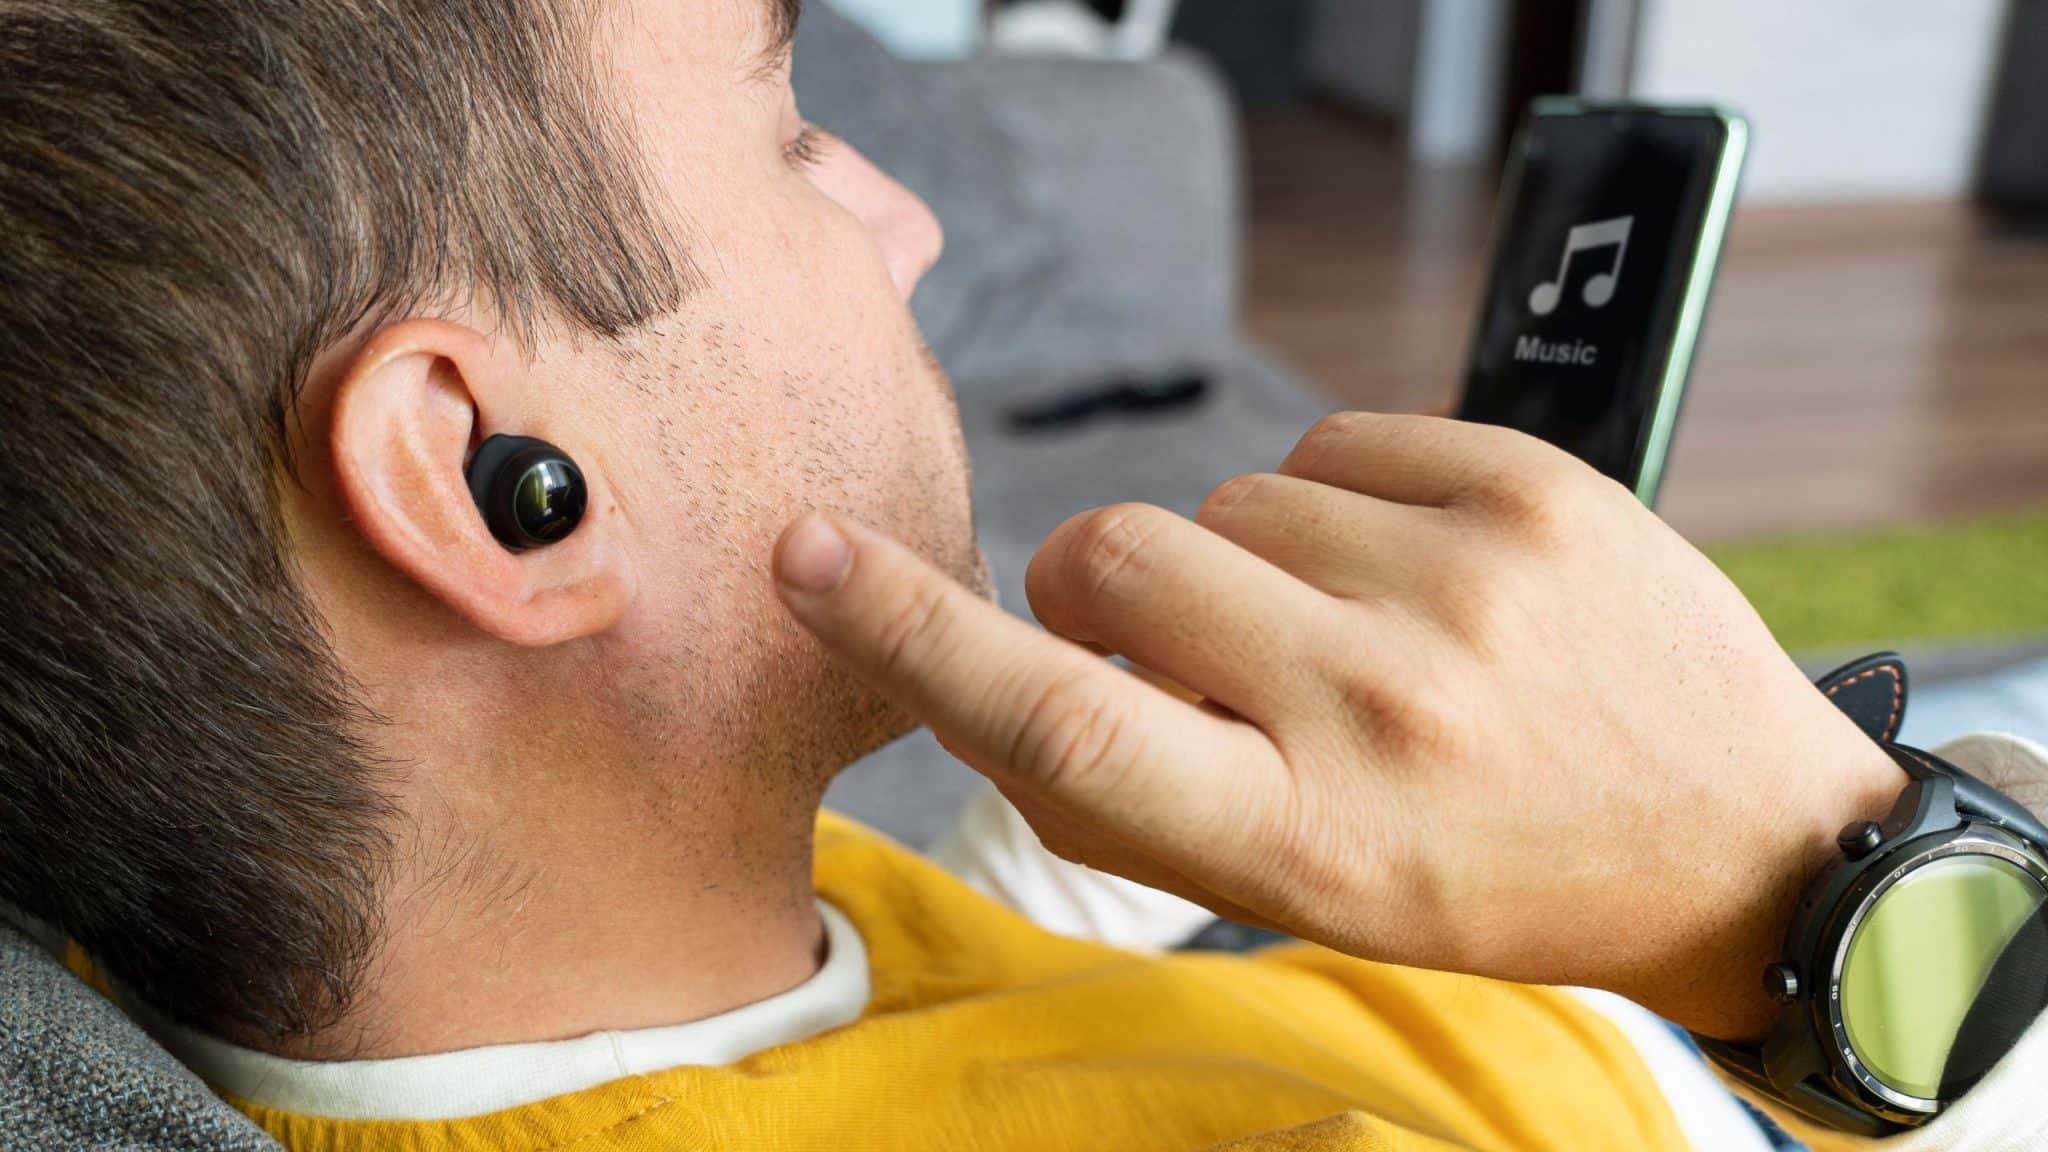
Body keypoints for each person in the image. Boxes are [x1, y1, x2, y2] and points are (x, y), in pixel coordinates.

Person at [0, 1, 2040, 1149]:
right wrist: (1834, 891)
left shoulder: (571, 958)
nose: (908, 228)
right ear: (493, 476)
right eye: (791, 128)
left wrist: (1099, 840)